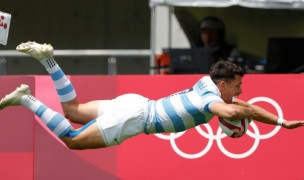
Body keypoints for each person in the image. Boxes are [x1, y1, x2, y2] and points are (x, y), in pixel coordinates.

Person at [0, 41, 303, 150]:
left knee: (73, 110)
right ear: (223, 83)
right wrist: (261, 119)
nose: (240, 91)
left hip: (136, 103)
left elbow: (239, 105)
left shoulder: (207, 83)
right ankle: (26, 98)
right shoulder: (210, 102)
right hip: (136, 116)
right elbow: (234, 112)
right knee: (72, 141)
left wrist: (280, 121)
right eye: (237, 85)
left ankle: (48, 60)